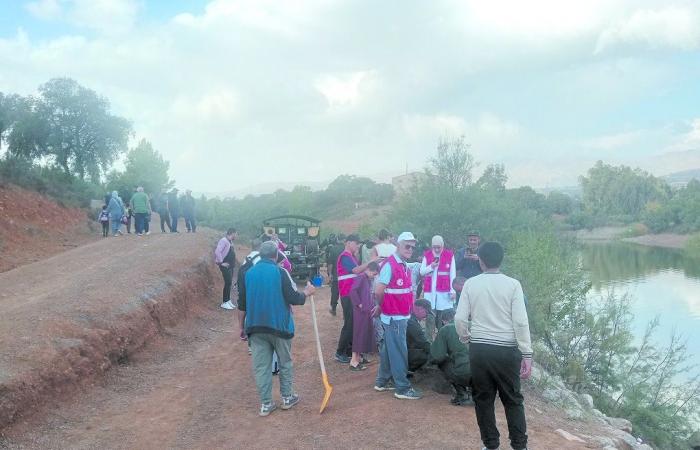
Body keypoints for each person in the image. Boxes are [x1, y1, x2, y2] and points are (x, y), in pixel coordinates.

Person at [455, 242, 533, 450]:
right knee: (513, 399)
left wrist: (466, 338)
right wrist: (527, 353)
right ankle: (519, 446)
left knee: (483, 399)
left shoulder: (471, 284)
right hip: (507, 350)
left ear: (480, 261)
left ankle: (491, 445)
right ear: (501, 260)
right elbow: (521, 322)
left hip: (479, 349)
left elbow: (460, 319)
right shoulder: (513, 285)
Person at [245, 241, 315, 417]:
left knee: (261, 367)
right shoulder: (280, 272)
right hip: (278, 326)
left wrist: (242, 327)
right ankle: (287, 397)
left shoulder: (249, 273)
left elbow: (243, 303)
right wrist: (306, 292)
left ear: (260, 255)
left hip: (255, 326)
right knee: (284, 362)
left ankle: (266, 404)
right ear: (276, 255)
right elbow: (294, 298)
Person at [373, 231, 422, 400]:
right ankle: (402, 387)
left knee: (388, 348)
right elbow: (379, 290)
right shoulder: (391, 265)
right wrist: (380, 306)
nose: (410, 249)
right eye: (407, 246)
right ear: (398, 245)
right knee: (400, 351)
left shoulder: (403, 264)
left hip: (398, 315)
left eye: (412, 247)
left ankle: (382, 381)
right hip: (394, 317)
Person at [334, 234, 378, 364]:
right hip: (348, 293)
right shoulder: (345, 257)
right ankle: (340, 352)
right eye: (356, 243)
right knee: (349, 323)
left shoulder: (351, 257)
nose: (358, 246)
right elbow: (355, 270)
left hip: (351, 293)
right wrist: (371, 262)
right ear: (348, 243)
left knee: (354, 323)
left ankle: (351, 352)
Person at [430, 309, 473, 407]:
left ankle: (463, 395)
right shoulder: (475, 325)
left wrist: (430, 361)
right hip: (489, 373)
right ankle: (475, 394)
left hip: (466, 372)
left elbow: (437, 356)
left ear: (444, 321)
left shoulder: (446, 329)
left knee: (444, 362)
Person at [420, 235, 457, 339]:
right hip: (430, 292)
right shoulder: (427, 255)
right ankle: (428, 341)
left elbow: (452, 274)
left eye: (438, 247)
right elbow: (422, 272)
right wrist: (431, 266)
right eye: (434, 247)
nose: (436, 249)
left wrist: (453, 290)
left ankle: (443, 339)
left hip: (444, 292)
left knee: (443, 317)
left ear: (443, 246)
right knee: (430, 316)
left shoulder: (449, 255)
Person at [348, 261, 380, 371]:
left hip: (365, 311)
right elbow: (352, 291)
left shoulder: (366, 279)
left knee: (362, 334)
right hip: (361, 311)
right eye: (374, 273)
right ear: (368, 270)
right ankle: (354, 361)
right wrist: (359, 304)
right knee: (359, 334)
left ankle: (358, 358)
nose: (374, 276)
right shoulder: (361, 277)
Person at [214, 228, 238, 310]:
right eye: (236, 234)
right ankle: (224, 302)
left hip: (230, 266)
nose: (236, 236)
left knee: (229, 283)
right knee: (227, 283)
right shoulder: (223, 240)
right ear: (232, 233)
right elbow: (217, 251)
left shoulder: (230, 241)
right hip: (225, 265)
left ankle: (228, 301)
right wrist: (221, 262)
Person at [407, 298, 432, 372]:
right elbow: (423, 343)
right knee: (427, 355)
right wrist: (436, 353)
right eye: (426, 313)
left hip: (401, 351)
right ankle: (409, 369)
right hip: (403, 354)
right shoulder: (412, 322)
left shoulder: (409, 317)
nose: (426, 316)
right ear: (419, 309)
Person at [326, 234, 344, 316]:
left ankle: (333, 309)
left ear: (337, 239)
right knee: (345, 294)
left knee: (334, 293)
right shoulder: (346, 249)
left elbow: (330, 263)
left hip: (336, 275)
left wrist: (330, 274)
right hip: (345, 276)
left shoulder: (333, 249)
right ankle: (345, 313)